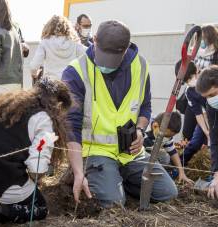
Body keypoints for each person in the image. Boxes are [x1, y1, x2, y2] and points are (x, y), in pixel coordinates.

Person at [62, 20, 178, 208]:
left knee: (168, 192)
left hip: (130, 153)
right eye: (103, 56)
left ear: (125, 49)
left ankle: (114, 180)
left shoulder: (140, 66)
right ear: (94, 40)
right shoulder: (76, 71)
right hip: (96, 152)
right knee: (114, 204)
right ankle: (106, 181)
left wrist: (140, 130)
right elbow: (71, 126)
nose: (107, 64)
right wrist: (77, 172)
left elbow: (145, 107)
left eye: (113, 59)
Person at [0, 78, 71, 227]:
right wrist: (36, 179)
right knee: (40, 207)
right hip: (2, 177)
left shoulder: (8, 103)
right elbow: (37, 168)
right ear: (59, 105)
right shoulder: (44, 120)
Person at [196, 65, 218, 199]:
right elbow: (217, 140)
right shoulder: (212, 106)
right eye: (206, 97)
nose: (210, 100)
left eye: (212, 94)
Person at [30, 15, 86, 81]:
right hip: (70, 83)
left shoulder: (45, 42)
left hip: (51, 84)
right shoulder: (74, 43)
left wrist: (34, 73)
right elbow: (87, 56)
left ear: (49, 27)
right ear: (68, 27)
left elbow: (34, 66)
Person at [144, 112, 194, 184]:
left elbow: (173, 152)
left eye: (170, 136)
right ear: (155, 126)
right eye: (166, 136)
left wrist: (181, 172)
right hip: (137, 155)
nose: (167, 138)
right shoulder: (143, 132)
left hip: (151, 151)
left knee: (165, 157)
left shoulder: (164, 130)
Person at [175, 60, 209, 166]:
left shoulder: (209, 80)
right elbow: (199, 113)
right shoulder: (189, 91)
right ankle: (177, 166)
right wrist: (207, 132)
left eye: (190, 78)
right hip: (205, 116)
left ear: (197, 70)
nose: (190, 82)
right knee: (194, 144)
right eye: (186, 81)